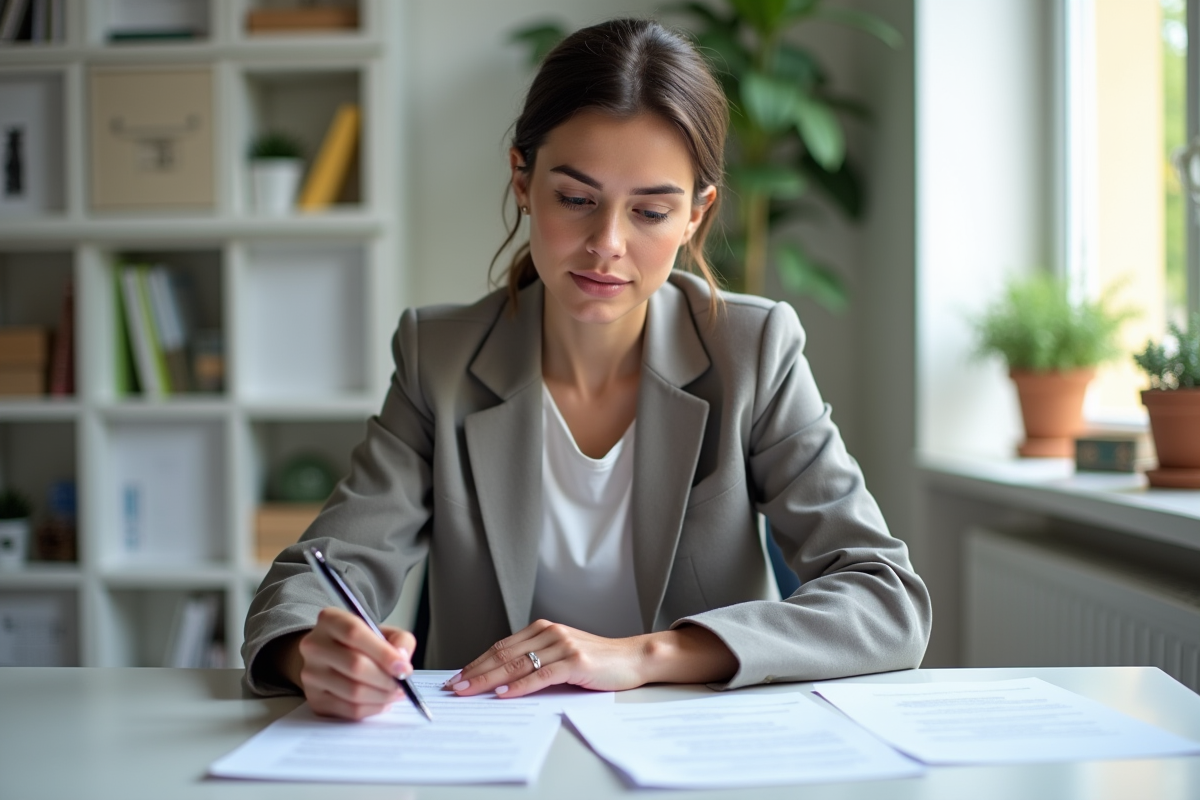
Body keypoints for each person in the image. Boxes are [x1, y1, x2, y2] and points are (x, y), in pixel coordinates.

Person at [243, 17, 931, 721]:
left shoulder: (752, 352)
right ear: (523, 180)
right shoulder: (438, 359)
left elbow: (886, 599)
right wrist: (312, 654)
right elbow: (317, 573)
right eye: (576, 200)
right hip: (489, 742)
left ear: (697, 215)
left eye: (651, 211)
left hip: (696, 745)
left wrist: (645, 655)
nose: (607, 243)